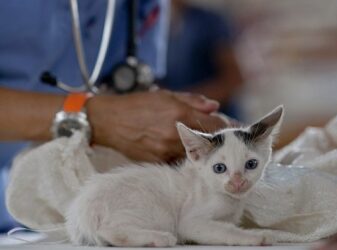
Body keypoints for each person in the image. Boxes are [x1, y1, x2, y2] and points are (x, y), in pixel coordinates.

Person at [0, 0, 228, 232]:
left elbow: (132, 87)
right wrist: (96, 117)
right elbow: (112, 115)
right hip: (28, 199)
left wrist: (169, 123)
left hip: (49, 214)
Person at [160, 0, 243, 117]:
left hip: (216, 118)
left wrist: (188, 102)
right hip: (178, 119)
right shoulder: (148, 27)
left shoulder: (209, 22)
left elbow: (233, 79)